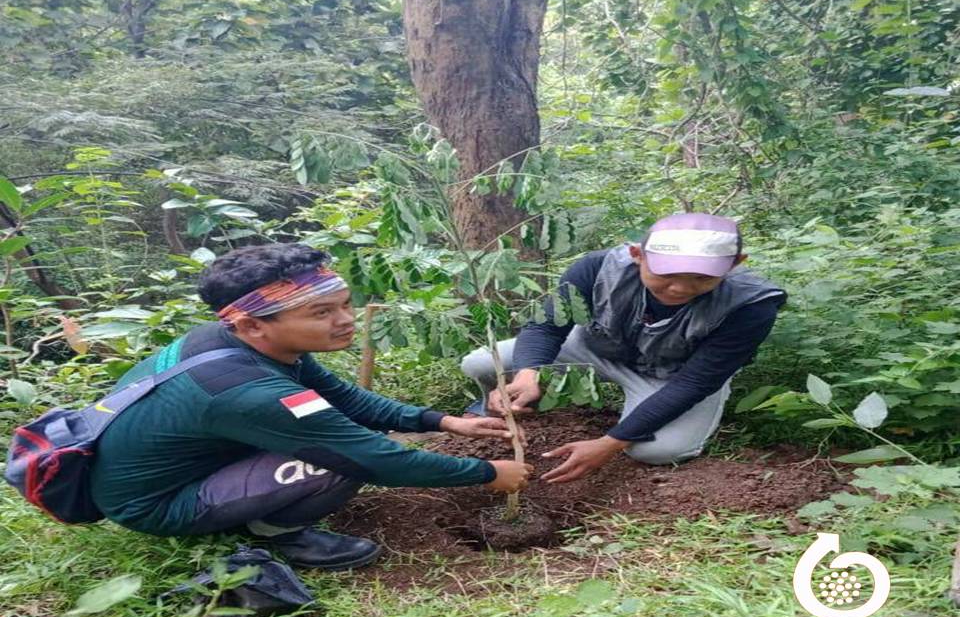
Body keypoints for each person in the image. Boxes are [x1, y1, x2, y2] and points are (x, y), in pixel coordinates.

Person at [89, 244, 531, 570]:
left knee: (340, 435)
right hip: (160, 502)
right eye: (321, 313)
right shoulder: (248, 391)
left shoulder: (238, 342)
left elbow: (343, 397)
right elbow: (378, 461)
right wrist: (489, 474)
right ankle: (277, 534)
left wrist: (442, 420)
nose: (345, 320)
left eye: (344, 304)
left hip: (191, 462)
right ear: (251, 324)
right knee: (343, 458)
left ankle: (252, 505)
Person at [461, 212, 787, 484]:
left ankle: (620, 421)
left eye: (701, 279)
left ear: (734, 264)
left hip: (673, 376)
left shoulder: (751, 306)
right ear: (637, 255)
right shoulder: (596, 269)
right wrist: (528, 372)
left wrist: (609, 443)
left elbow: (695, 383)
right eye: (666, 273)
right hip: (594, 348)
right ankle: (518, 408)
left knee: (657, 451)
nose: (680, 288)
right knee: (481, 363)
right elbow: (547, 326)